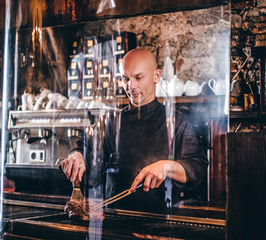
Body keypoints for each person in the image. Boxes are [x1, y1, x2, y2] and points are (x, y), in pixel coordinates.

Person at [61, 48, 208, 212]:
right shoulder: (111, 121)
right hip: (114, 220)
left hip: (159, 222)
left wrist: (166, 166)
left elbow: (198, 169)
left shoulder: (177, 122)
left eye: (138, 78)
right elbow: (87, 148)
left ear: (156, 76)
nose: (130, 86)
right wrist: (76, 155)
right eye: (125, 79)